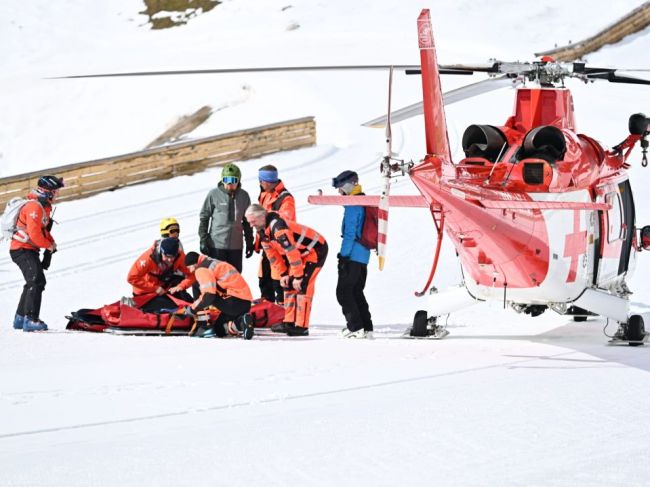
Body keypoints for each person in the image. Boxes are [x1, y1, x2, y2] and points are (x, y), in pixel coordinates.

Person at [245, 204, 328, 337]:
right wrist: (283, 274)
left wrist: (298, 276)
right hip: (299, 254)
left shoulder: (278, 228)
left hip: (314, 251)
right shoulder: (262, 232)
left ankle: (301, 326)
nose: (251, 225)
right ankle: (289, 322)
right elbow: (273, 257)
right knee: (287, 285)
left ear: (262, 216)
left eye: (253, 222)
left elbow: (291, 252)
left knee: (302, 287)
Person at [10, 175, 64, 332]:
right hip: (21, 249)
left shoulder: (43, 206)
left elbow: (43, 231)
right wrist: (47, 245)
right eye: (56, 191)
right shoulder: (34, 207)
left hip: (28, 249)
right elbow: (35, 235)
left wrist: (51, 243)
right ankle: (31, 319)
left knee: (32, 280)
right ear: (48, 192)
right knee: (37, 280)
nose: (58, 194)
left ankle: (20, 319)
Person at [332, 170, 374, 339]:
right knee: (356, 291)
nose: (339, 192)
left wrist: (343, 256)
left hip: (352, 256)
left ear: (349, 187)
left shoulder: (353, 205)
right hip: (363, 255)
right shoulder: (363, 201)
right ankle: (366, 327)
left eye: (341, 188)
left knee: (343, 292)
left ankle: (355, 327)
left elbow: (350, 234)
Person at [182, 251, 254, 339]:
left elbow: (208, 296)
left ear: (194, 264)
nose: (191, 271)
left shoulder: (202, 269)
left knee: (196, 285)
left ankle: (203, 326)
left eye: (189, 267)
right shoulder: (212, 262)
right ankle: (241, 323)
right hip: (244, 303)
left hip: (233, 302)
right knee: (219, 329)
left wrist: (192, 309)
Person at [198, 163, 253, 273]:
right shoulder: (214, 194)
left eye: (233, 180)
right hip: (216, 245)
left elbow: (247, 222)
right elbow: (204, 217)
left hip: (236, 246)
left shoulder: (244, 196)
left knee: (235, 277)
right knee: (217, 276)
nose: (229, 184)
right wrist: (203, 240)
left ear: (238, 181)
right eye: (226, 179)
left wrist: (249, 242)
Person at [256, 164, 296, 304]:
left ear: (267, 181)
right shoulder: (264, 194)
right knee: (264, 280)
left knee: (279, 282)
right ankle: (267, 312)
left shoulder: (285, 198)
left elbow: (287, 220)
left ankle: (283, 315)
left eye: (261, 180)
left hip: (281, 247)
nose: (259, 183)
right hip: (267, 244)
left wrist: (266, 216)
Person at [127, 237, 194, 313]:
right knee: (172, 309)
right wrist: (155, 288)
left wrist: (181, 286)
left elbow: (192, 275)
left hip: (164, 290)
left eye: (172, 257)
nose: (170, 260)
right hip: (145, 294)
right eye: (167, 256)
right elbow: (131, 278)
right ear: (161, 252)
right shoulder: (148, 259)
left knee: (187, 303)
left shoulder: (179, 256)